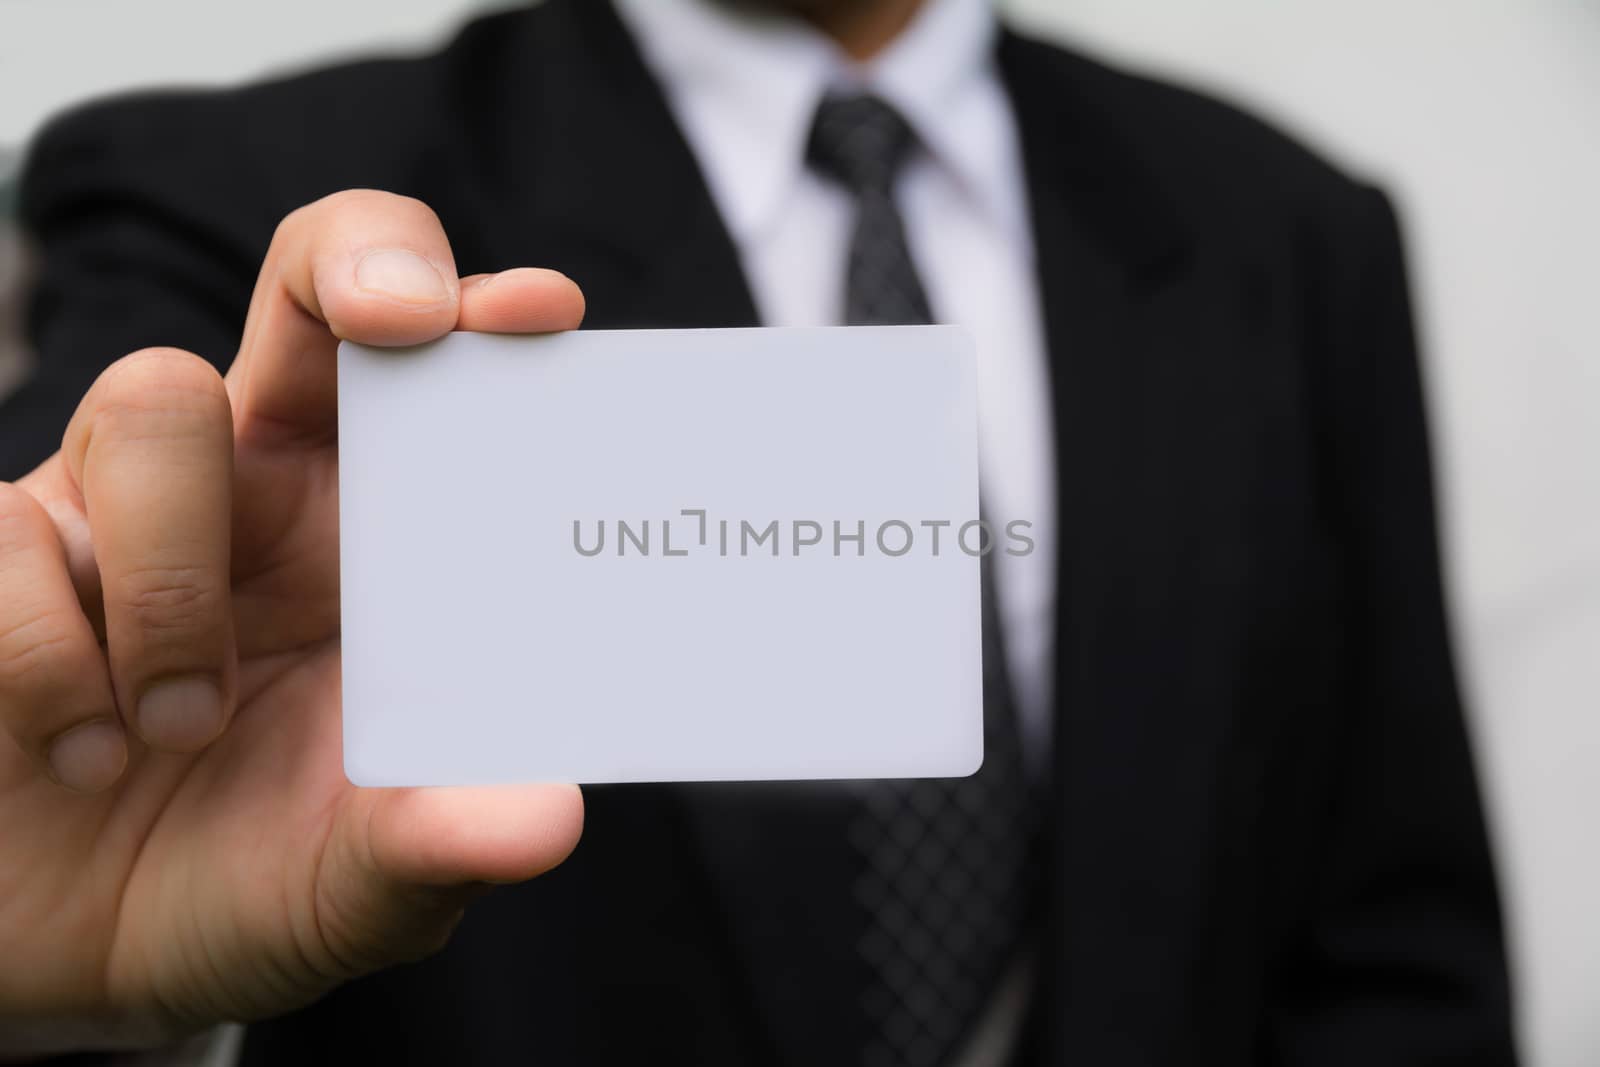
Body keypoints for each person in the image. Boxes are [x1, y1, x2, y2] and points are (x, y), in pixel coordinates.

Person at [0, 0, 1517, 1063]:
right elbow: (82, 626)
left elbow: (1393, 939)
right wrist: (47, 972)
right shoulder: (228, 195)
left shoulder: (1287, 231)